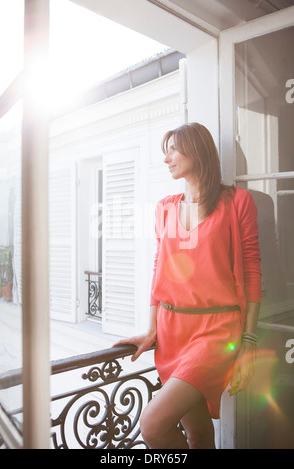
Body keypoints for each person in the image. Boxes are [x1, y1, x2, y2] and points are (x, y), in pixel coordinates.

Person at [113, 123, 262, 449]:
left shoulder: (237, 202)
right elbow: (159, 267)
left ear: (197, 150)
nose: (167, 159)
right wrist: (151, 327)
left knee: (152, 425)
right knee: (197, 432)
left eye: (173, 149)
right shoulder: (166, 206)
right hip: (171, 331)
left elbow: (251, 272)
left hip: (216, 330)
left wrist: (249, 341)